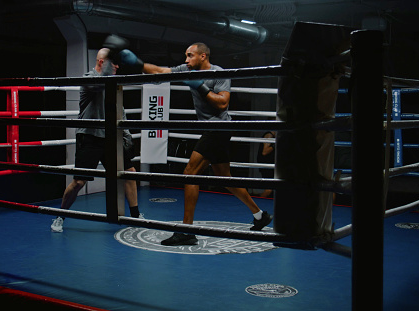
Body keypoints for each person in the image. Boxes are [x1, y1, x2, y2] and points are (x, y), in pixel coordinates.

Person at [105, 38, 272, 245]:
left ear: (203, 56)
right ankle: (259, 215)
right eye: (185, 56)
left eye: (190, 55)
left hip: (219, 128)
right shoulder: (187, 69)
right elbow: (160, 71)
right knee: (225, 178)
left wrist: (200, 86)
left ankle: (186, 230)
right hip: (213, 130)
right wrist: (137, 63)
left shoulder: (219, 73)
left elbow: (223, 103)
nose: (186, 59)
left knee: (190, 173)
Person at [51, 48, 143, 233]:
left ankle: (135, 215)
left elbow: (120, 109)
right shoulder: (89, 79)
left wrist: (127, 136)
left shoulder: (114, 81)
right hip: (90, 137)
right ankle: (60, 216)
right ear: (102, 63)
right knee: (79, 182)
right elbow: (97, 86)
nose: (117, 66)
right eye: (113, 63)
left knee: (129, 172)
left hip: (110, 138)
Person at [257, 130, 275, 197]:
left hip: (269, 165)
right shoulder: (269, 135)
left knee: (271, 187)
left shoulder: (272, 136)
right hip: (266, 166)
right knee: (269, 188)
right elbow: (265, 152)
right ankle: (257, 204)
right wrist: (276, 144)